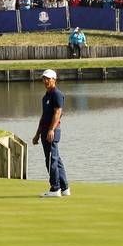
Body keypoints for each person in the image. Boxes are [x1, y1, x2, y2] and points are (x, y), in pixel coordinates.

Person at [32, 69, 69, 198]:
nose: (46, 81)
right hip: (45, 131)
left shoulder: (57, 94)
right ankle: (64, 188)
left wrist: (51, 130)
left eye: (48, 78)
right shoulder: (46, 97)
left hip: (52, 132)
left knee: (51, 160)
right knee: (56, 160)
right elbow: (43, 117)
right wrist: (37, 134)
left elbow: (58, 113)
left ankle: (55, 188)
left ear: (54, 80)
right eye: (44, 78)